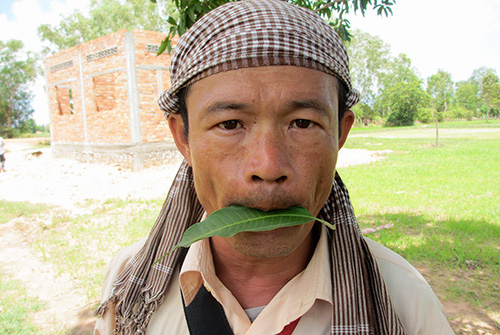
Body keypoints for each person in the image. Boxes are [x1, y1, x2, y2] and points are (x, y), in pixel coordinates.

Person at [95, 1, 454, 334]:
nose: (268, 167)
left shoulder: (404, 301)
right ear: (183, 137)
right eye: (230, 124)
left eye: (302, 123)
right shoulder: (131, 287)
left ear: (340, 133)